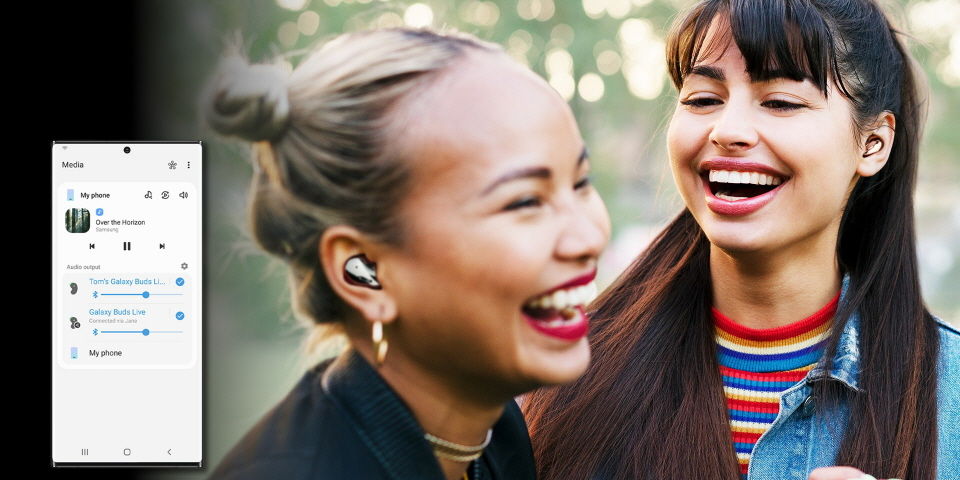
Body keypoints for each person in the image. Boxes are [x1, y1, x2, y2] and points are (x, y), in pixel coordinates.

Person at [521, 0, 959, 479]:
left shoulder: (948, 395)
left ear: (873, 142)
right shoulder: (553, 376)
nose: (728, 130)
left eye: (781, 102)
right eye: (703, 99)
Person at [201, 27, 611, 480]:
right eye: (525, 201)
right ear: (363, 271)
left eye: (580, 183)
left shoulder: (495, 435)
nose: (588, 237)